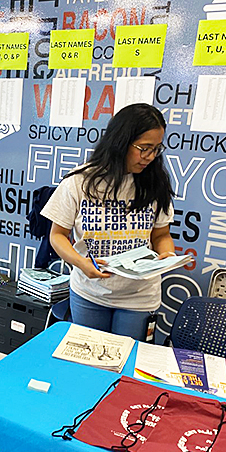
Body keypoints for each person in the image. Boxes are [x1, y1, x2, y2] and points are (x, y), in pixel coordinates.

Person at [41, 103, 176, 341]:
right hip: (89, 292)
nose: (150, 157)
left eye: (156, 149)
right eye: (143, 148)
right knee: (88, 364)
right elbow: (57, 235)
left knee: (128, 366)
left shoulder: (155, 183)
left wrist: (167, 255)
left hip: (139, 296)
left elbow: (161, 235)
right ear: (121, 141)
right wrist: (80, 263)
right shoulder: (80, 182)